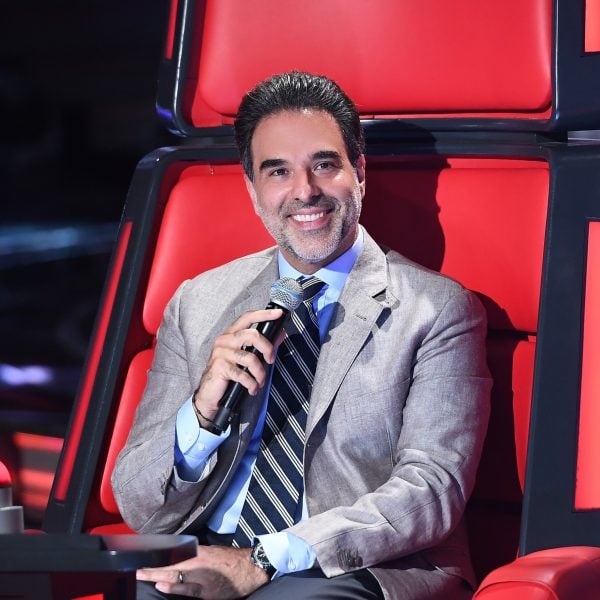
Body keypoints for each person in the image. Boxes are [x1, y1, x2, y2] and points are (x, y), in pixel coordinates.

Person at [112, 71, 491, 600]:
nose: (304, 191)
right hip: (209, 548)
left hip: (352, 565)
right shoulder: (197, 303)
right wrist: (202, 412)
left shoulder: (437, 309)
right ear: (253, 191)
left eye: (325, 165)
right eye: (278, 171)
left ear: (360, 173)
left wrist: (266, 558)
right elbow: (137, 503)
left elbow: (432, 490)